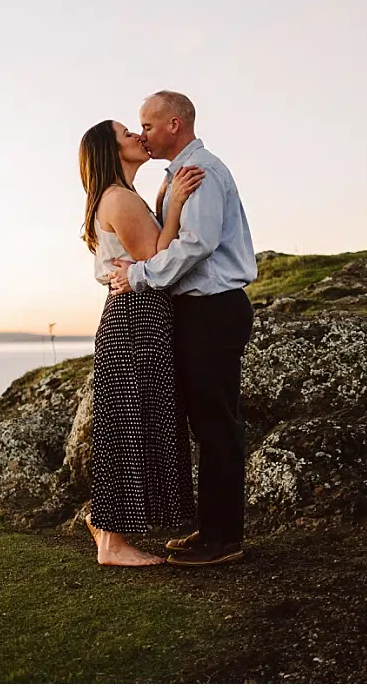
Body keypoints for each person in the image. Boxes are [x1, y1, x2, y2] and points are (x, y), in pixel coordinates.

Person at [106, 90, 257, 567]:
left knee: (217, 424)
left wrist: (138, 275)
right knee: (206, 422)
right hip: (197, 311)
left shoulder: (202, 172)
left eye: (147, 126)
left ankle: (224, 539)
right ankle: (211, 528)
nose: (142, 134)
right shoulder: (175, 178)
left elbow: (197, 246)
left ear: (174, 124)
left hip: (214, 308)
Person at [78, 118, 204, 567]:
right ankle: (111, 543)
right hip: (134, 319)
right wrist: (174, 210)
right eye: (126, 133)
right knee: (128, 423)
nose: (137, 135)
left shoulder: (122, 198)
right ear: (111, 152)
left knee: (132, 421)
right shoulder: (118, 198)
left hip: (137, 316)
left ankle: (107, 525)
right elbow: (158, 258)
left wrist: (160, 207)